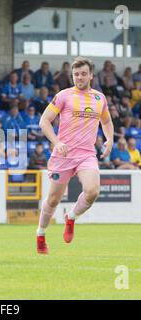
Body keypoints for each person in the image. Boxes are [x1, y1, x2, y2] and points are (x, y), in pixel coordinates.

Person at [36, 57, 114, 254]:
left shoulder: (99, 98)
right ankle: (41, 234)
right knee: (53, 200)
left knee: (92, 191)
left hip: (86, 154)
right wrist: (57, 142)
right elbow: (44, 121)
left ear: (91, 75)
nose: (79, 77)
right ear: (72, 76)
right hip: (63, 154)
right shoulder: (63, 96)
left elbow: (106, 122)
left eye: (83, 74)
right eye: (76, 74)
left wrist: (110, 139)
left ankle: (70, 217)